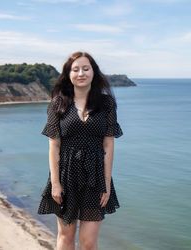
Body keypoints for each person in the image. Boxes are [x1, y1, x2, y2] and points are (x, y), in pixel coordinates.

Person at [38, 51, 123, 250]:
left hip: (95, 177)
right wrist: (56, 183)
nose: (81, 73)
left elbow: (108, 145)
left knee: (88, 241)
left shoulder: (106, 104)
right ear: (68, 74)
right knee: (66, 237)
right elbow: (54, 145)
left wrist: (107, 184)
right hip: (66, 175)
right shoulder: (58, 104)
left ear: (94, 72)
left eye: (86, 68)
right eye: (75, 69)